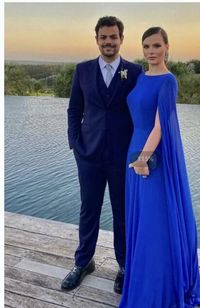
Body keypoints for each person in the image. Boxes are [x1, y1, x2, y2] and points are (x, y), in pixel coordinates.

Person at [118, 27, 200, 307]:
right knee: (141, 219)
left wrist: (143, 160)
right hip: (134, 150)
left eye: (156, 46)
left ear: (167, 47)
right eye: (146, 46)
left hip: (150, 158)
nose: (151, 51)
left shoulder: (168, 81)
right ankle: (140, 279)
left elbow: (160, 126)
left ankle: (157, 289)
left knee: (154, 222)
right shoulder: (141, 76)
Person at [61, 16, 142, 293]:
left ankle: (124, 266)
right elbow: (74, 109)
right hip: (89, 155)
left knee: (123, 213)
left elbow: (141, 112)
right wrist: (75, 143)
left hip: (123, 157)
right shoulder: (82, 70)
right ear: (96, 39)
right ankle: (83, 262)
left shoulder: (134, 72)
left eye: (113, 37)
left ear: (121, 39)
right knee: (89, 210)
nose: (109, 42)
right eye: (104, 37)